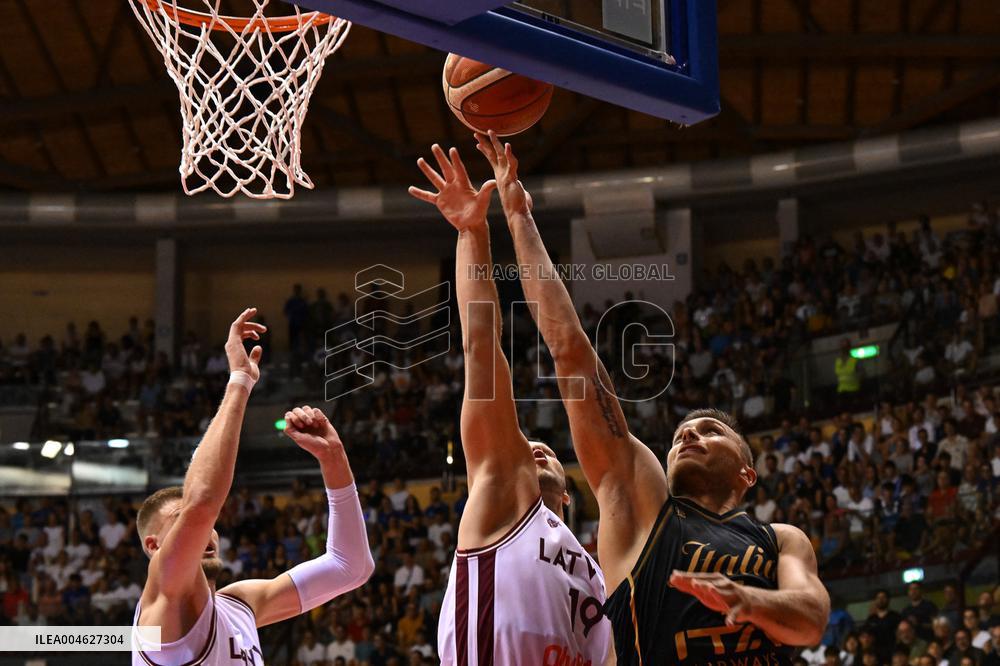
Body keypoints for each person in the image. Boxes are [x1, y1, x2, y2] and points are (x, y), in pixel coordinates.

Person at [475, 130, 829, 664]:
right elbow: (571, 354)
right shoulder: (641, 503)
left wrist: (746, 600)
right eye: (686, 429)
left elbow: (811, 618)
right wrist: (519, 217)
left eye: (712, 431)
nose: (690, 431)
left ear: (747, 474)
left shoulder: (780, 540)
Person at [409, 144, 610, 664]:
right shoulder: (504, 487)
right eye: (530, 447)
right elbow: (481, 345)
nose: (537, 450)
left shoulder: (594, 570)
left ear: (569, 493)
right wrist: (472, 232)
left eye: (547, 452)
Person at [131, 309, 374, 665]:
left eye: (210, 527)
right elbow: (202, 503)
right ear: (154, 545)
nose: (207, 531)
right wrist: (240, 381)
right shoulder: (163, 603)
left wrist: (334, 461)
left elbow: (350, 566)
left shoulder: (240, 604)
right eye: (180, 520)